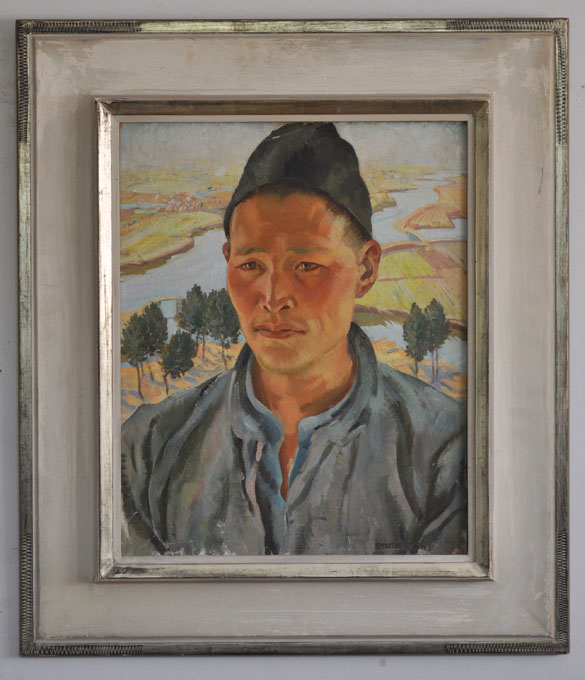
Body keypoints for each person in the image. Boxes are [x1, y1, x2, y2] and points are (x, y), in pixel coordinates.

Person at [122, 122, 467, 556]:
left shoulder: (447, 451)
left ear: (366, 269)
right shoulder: (146, 450)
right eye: (251, 266)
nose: (273, 297)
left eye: (307, 266)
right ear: (227, 262)